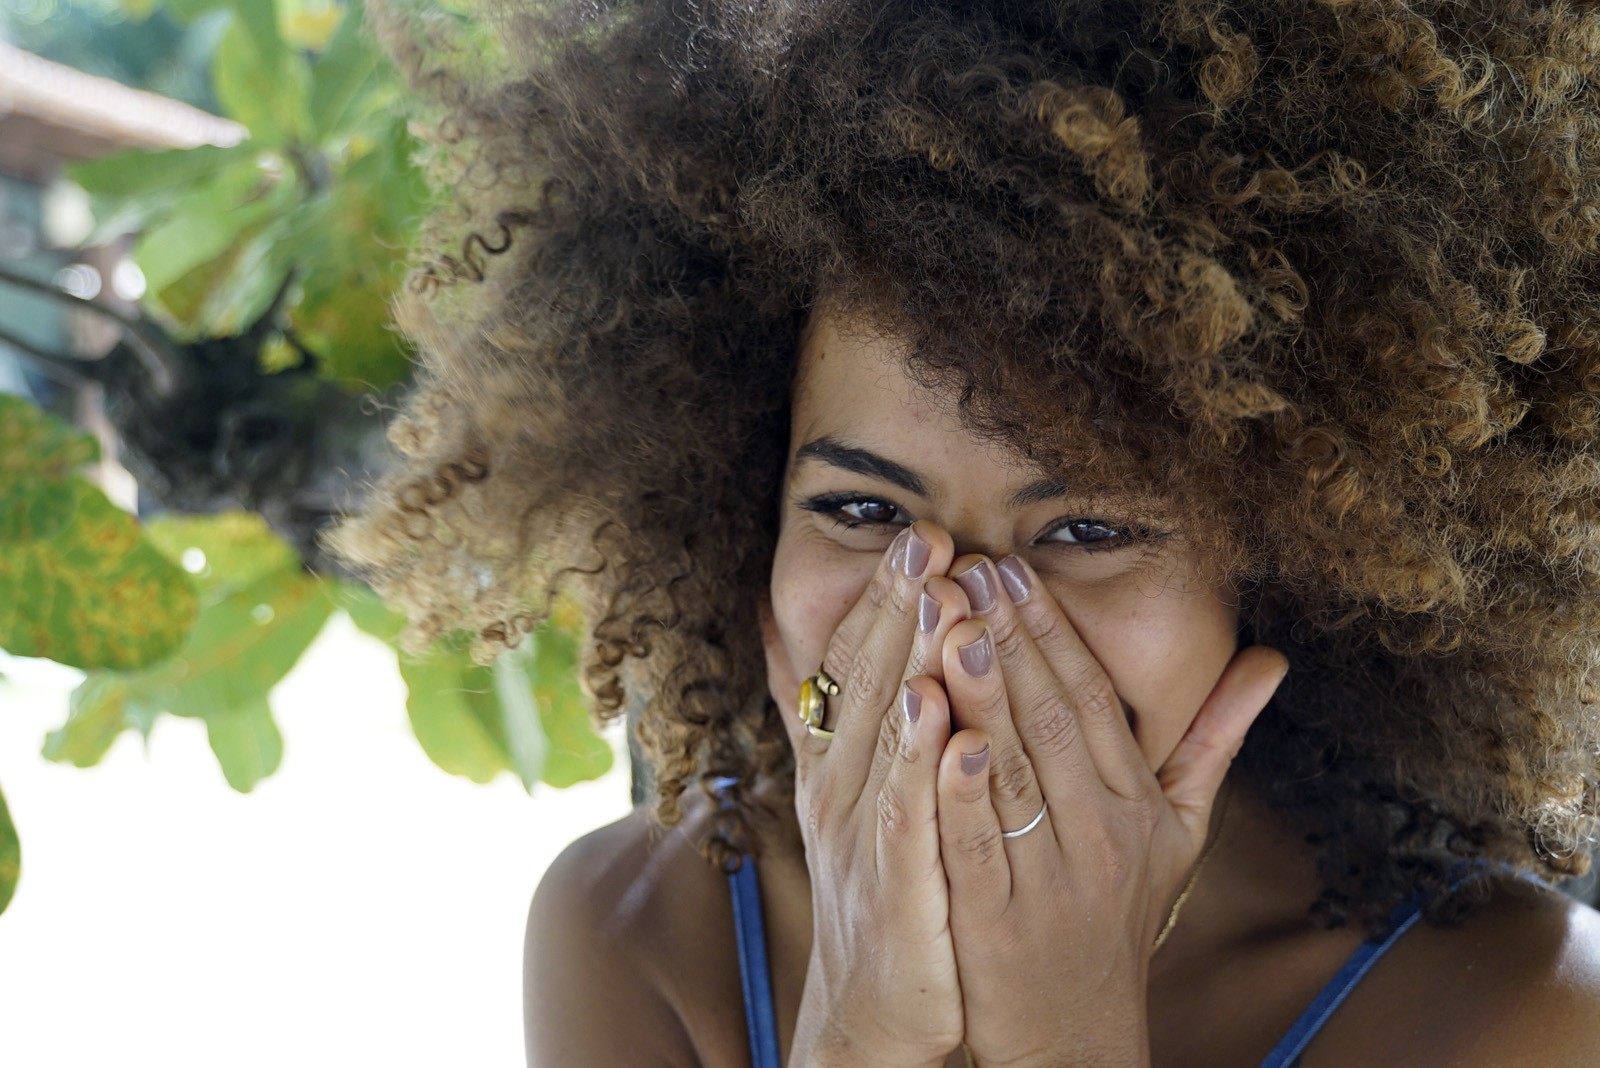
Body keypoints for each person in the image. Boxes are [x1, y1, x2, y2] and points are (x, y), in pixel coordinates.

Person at [327, 0, 1600, 1063]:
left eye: (1087, 524)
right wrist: (856, 1031)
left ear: (1286, 567)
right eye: (862, 510)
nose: (953, 616)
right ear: (742, 516)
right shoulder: (637, 933)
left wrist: (1066, 1036)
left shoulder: (1525, 1012)